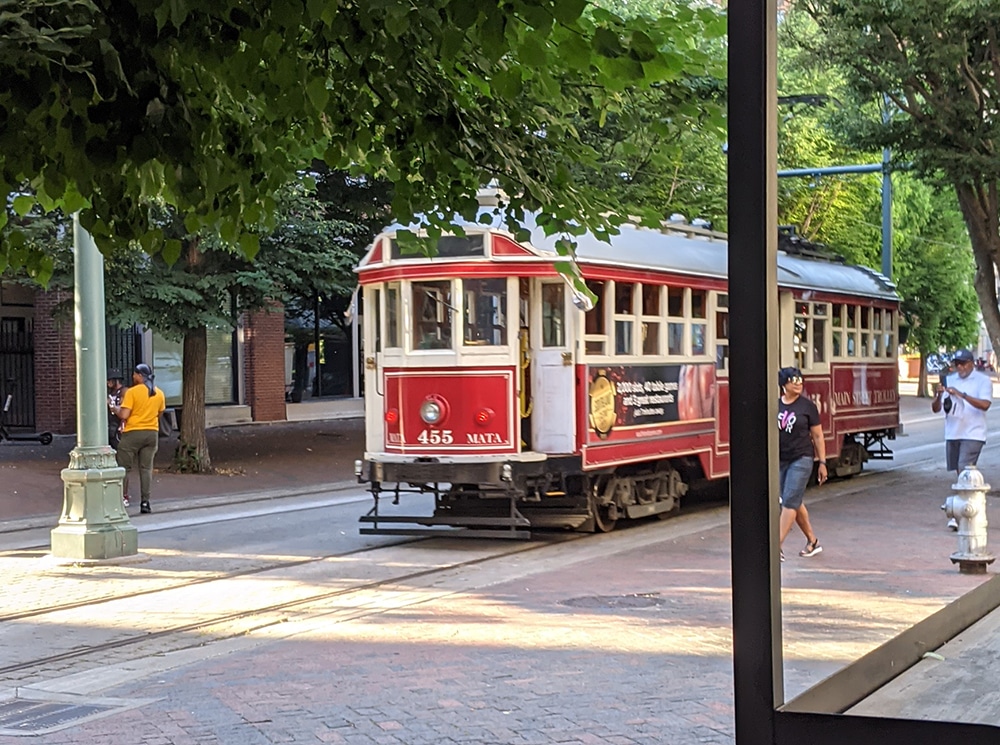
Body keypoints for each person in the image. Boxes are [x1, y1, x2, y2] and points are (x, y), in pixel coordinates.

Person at [932, 348, 993, 530]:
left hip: (973, 433)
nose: (960, 367)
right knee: (961, 474)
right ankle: (970, 508)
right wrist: (939, 395)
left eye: (963, 364)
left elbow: (985, 404)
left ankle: (960, 513)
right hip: (953, 432)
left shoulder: (982, 381)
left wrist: (962, 395)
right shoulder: (949, 380)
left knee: (963, 468)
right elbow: (937, 408)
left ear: (971, 363)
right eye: (957, 364)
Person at [777, 366, 825, 560]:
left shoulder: (807, 407)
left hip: (802, 457)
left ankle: (775, 546)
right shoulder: (776, 405)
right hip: (781, 459)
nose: (798, 384)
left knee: (789, 501)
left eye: (799, 381)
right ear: (783, 384)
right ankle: (812, 541)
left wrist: (822, 462)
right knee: (793, 501)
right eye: (793, 381)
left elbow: (818, 435)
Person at [111, 363, 166, 514]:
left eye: (135, 374)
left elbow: (124, 415)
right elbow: (159, 413)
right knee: (146, 469)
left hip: (133, 433)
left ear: (140, 376)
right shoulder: (159, 393)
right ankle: (145, 502)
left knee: (124, 467)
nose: (133, 376)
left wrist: (113, 408)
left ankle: (119, 500)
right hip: (151, 433)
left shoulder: (132, 392)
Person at [106, 368, 129, 506]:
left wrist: (113, 408)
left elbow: (124, 410)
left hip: (120, 428)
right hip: (111, 428)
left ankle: (124, 495)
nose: (108, 383)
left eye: (110, 380)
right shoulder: (110, 393)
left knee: (122, 462)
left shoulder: (125, 392)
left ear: (116, 380)